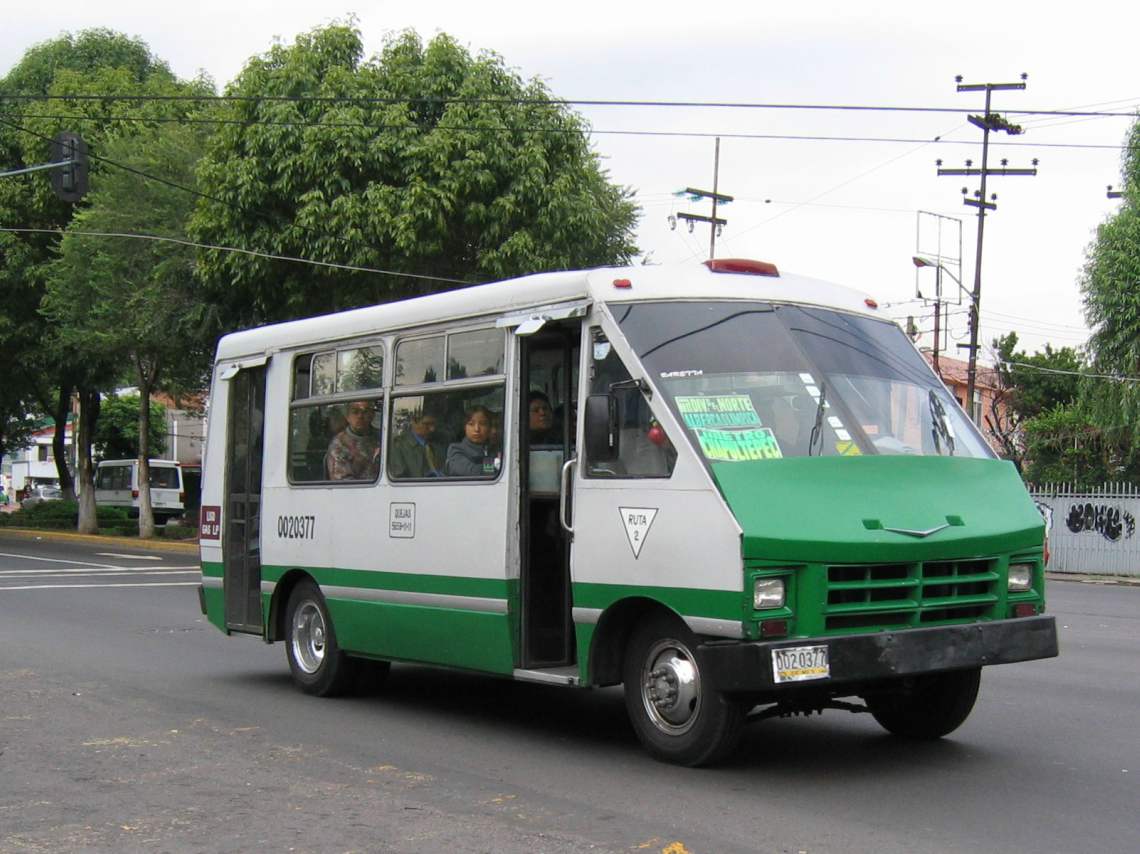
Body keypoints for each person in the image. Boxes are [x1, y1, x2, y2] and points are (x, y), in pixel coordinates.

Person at [326, 400, 380, 480]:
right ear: (347, 417)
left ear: (372, 415)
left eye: (365, 412)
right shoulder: (339, 444)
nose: (360, 416)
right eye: (355, 412)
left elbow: (397, 471)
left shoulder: (382, 437)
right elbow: (343, 484)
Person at [389, 410, 445, 478]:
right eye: (427, 424)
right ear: (414, 422)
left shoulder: (437, 445)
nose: (432, 429)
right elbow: (399, 480)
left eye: (433, 424)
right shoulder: (399, 446)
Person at [446, 405, 498, 477]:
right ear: (465, 427)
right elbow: (472, 471)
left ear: (489, 427)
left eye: (482, 424)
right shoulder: (456, 449)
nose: (477, 429)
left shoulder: (493, 449)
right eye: (471, 424)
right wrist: (498, 468)